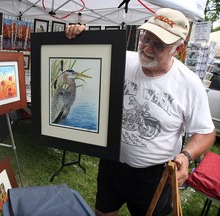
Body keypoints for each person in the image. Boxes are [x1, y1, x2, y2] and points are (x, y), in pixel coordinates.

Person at [65, 8, 216, 216]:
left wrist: (186, 156)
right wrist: (78, 35)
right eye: (145, 38)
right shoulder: (122, 60)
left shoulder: (189, 84)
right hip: (112, 164)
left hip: (155, 176)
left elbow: (206, 132)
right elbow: (86, 55)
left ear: (177, 48)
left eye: (158, 44)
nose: (146, 48)